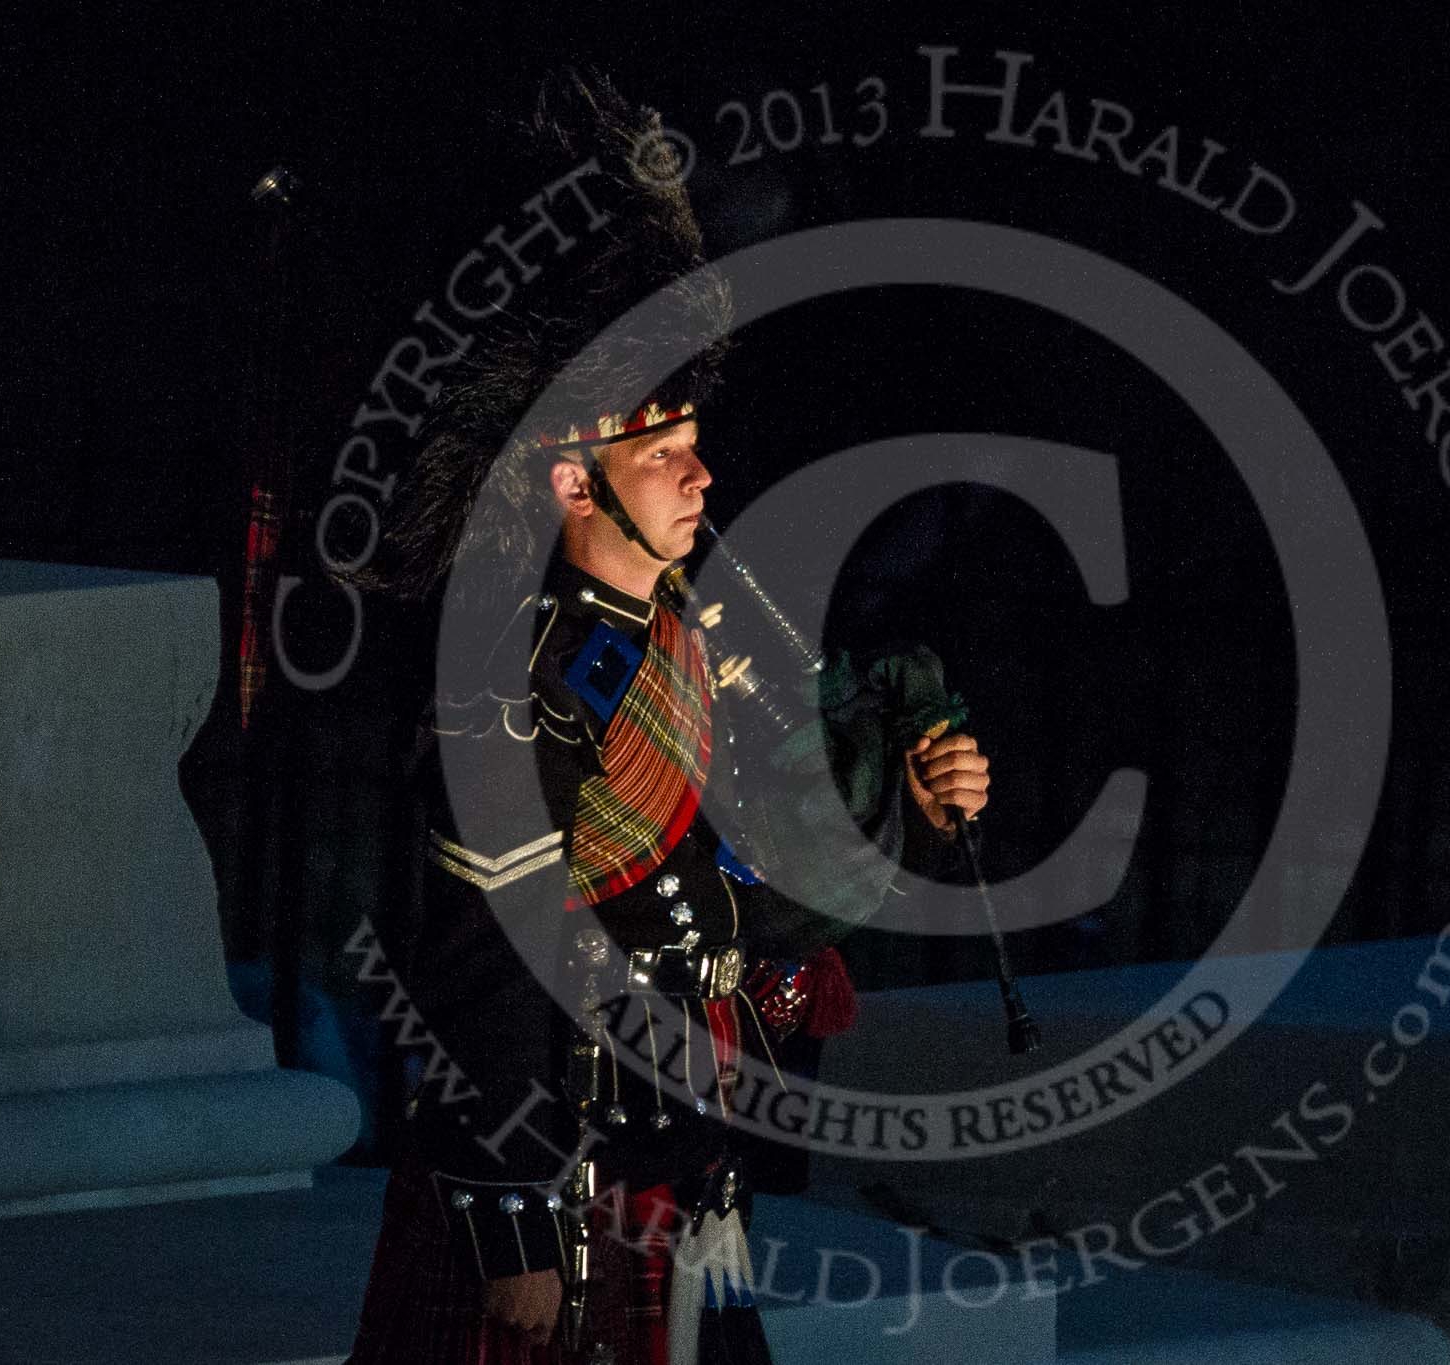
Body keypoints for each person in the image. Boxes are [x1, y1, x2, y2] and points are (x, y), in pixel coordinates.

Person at [344, 67, 988, 1365]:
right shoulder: (516, 688)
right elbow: (481, 965)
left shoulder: (694, 640)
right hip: (558, 1193)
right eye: (664, 452)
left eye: (696, 437)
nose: (702, 471)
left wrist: (905, 806)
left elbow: (767, 866)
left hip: (686, 1170)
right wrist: (509, 1217)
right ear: (576, 479)